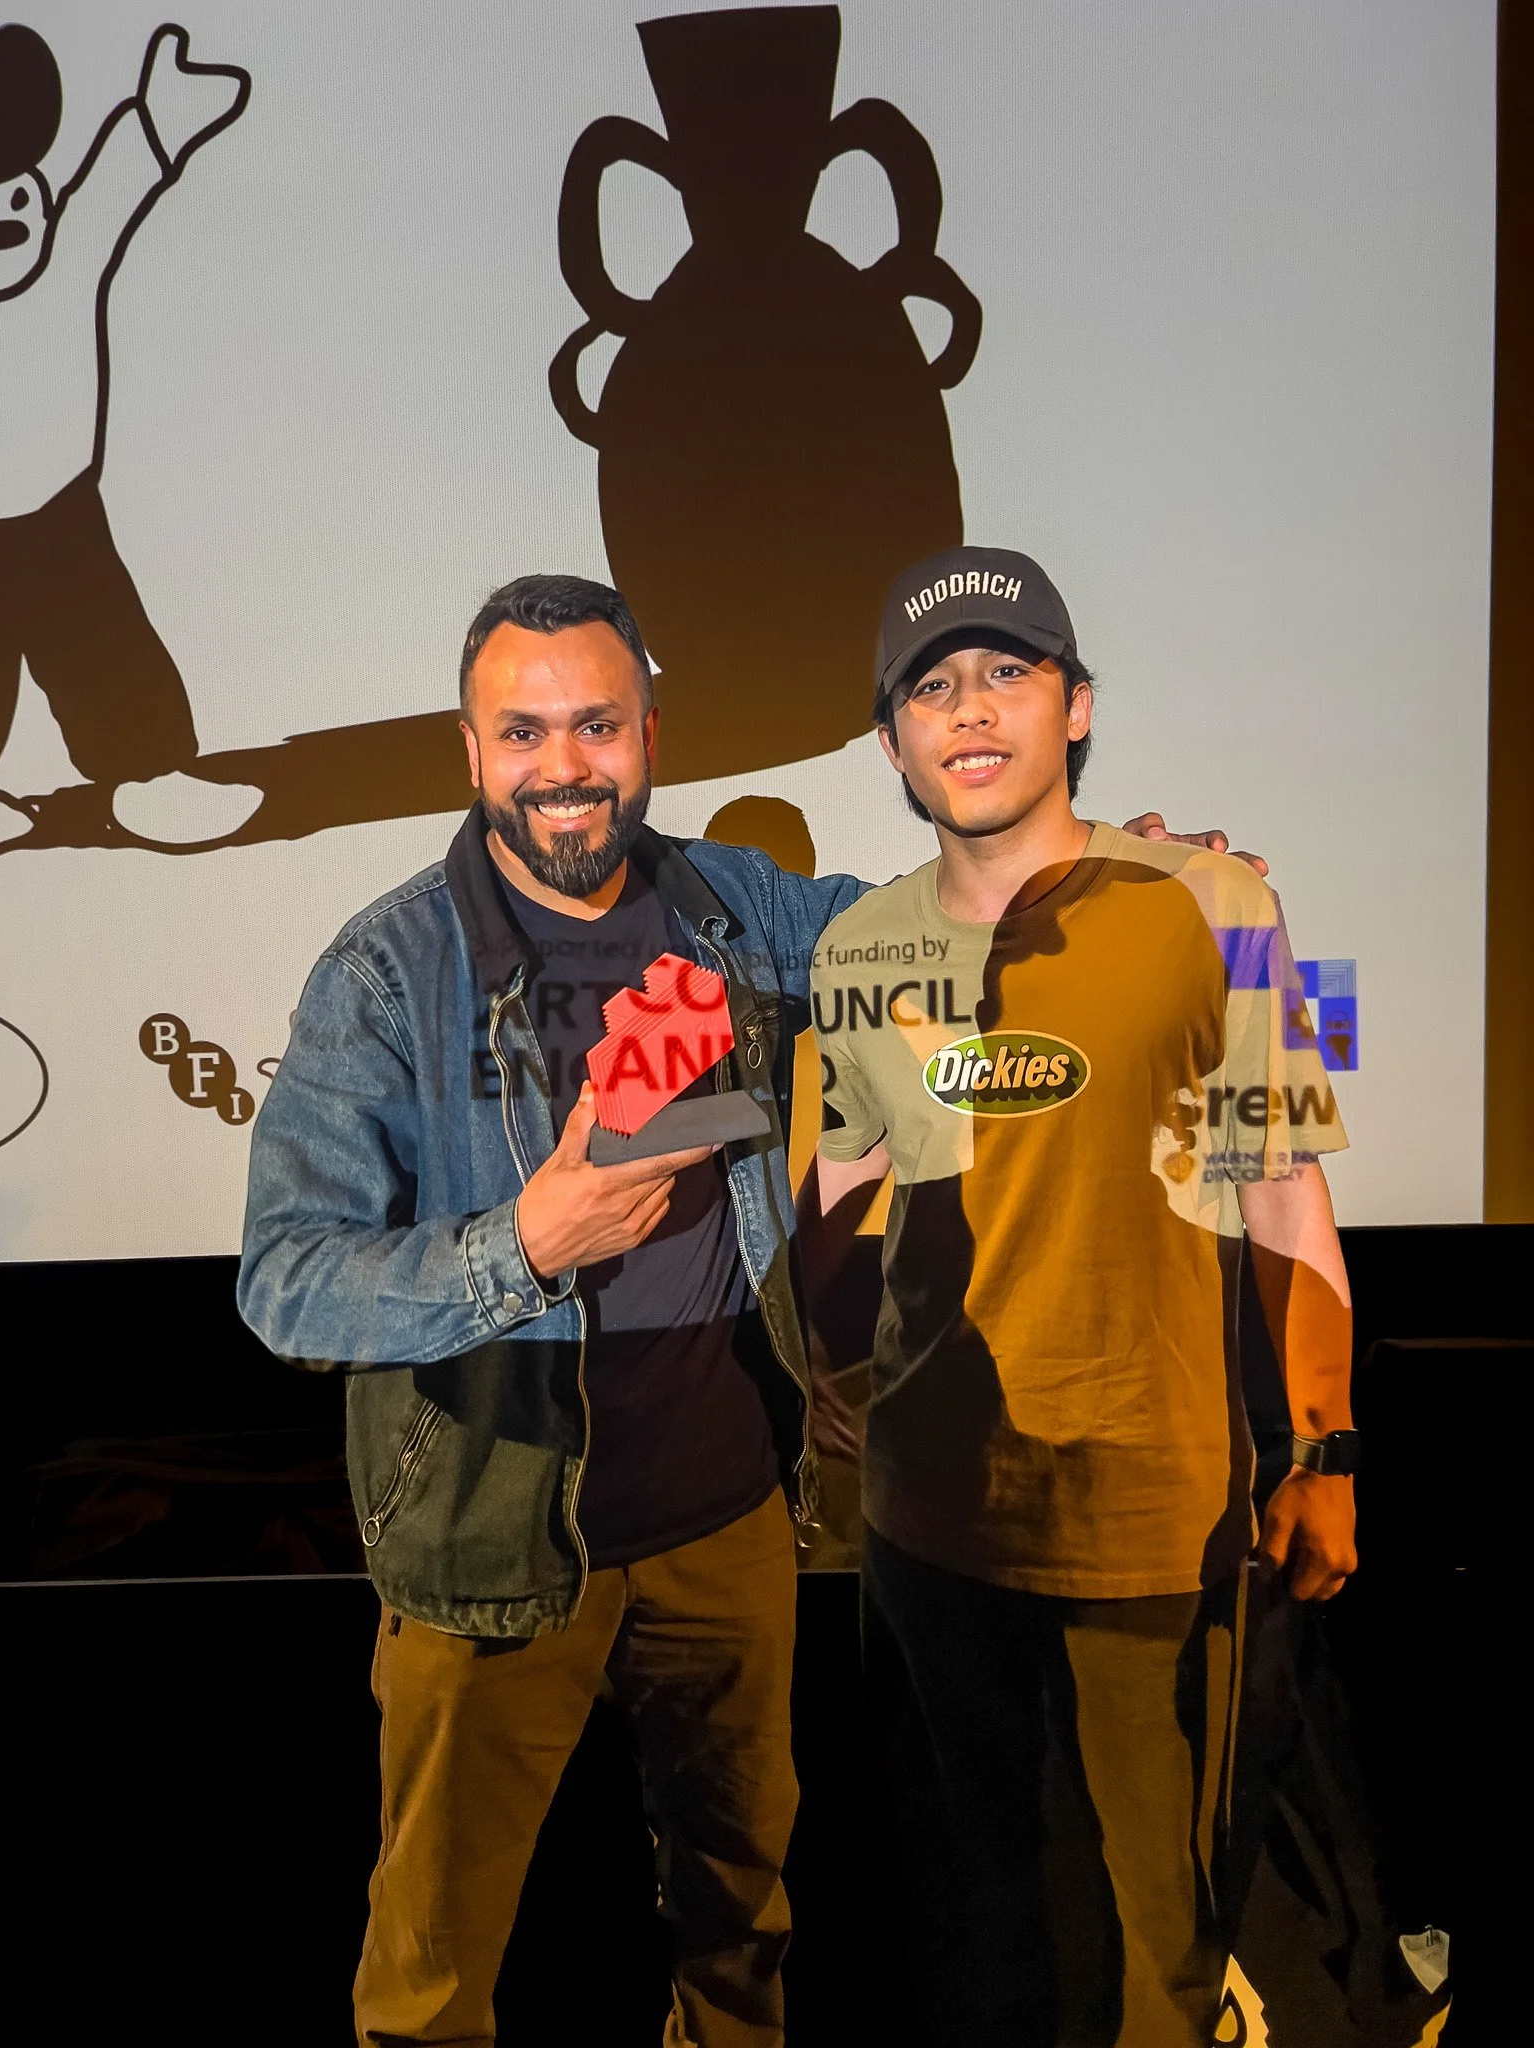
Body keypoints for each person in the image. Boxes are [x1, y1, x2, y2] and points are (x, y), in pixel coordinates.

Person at [238, 570, 1255, 2047]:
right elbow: (285, 1282)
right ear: (470, 750)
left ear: (650, 733)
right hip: (495, 1530)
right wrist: (522, 1244)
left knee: (741, 1935)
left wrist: (1105, 867)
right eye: (523, 733)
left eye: (597, 725)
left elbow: (939, 923)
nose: (565, 766)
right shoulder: (387, 970)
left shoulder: (738, 909)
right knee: (433, 1974)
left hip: (728, 1526)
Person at [799, 545, 1357, 2048]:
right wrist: (824, 1360)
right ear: (891, 741)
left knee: (1165, 1930)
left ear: (1078, 704)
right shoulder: (857, 947)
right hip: (930, 1525)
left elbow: (1283, 1188)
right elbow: (838, 1202)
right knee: (973, 1918)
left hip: (1155, 1517)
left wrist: (1324, 1449)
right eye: (932, 687)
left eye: (1007, 671)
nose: (970, 709)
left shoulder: (1219, 901)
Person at [0, 22, 258, 848]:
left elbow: (110, 191)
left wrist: (160, 114)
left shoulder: (65, 262)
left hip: (60, 521)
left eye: (18, 197)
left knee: (104, 654)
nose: (8, 219)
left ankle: (149, 778)